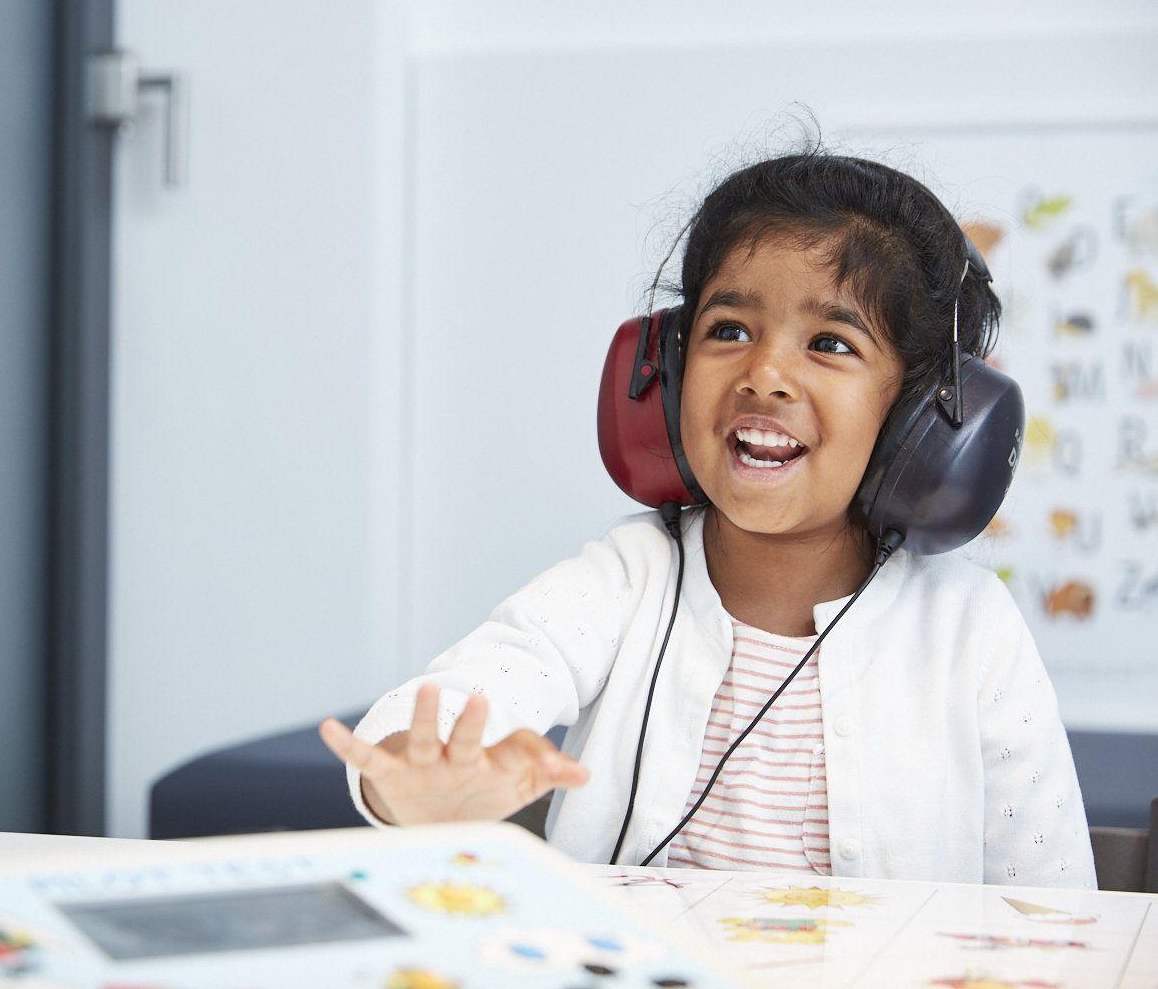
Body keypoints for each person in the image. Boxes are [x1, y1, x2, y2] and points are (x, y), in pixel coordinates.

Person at [319, 144, 1097, 889]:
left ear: (922, 419)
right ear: (668, 369)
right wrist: (412, 787)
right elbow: (469, 695)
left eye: (830, 342)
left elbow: (1055, 907)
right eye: (728, 331)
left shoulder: (971, 630)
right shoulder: (624, 581)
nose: (764, 375)